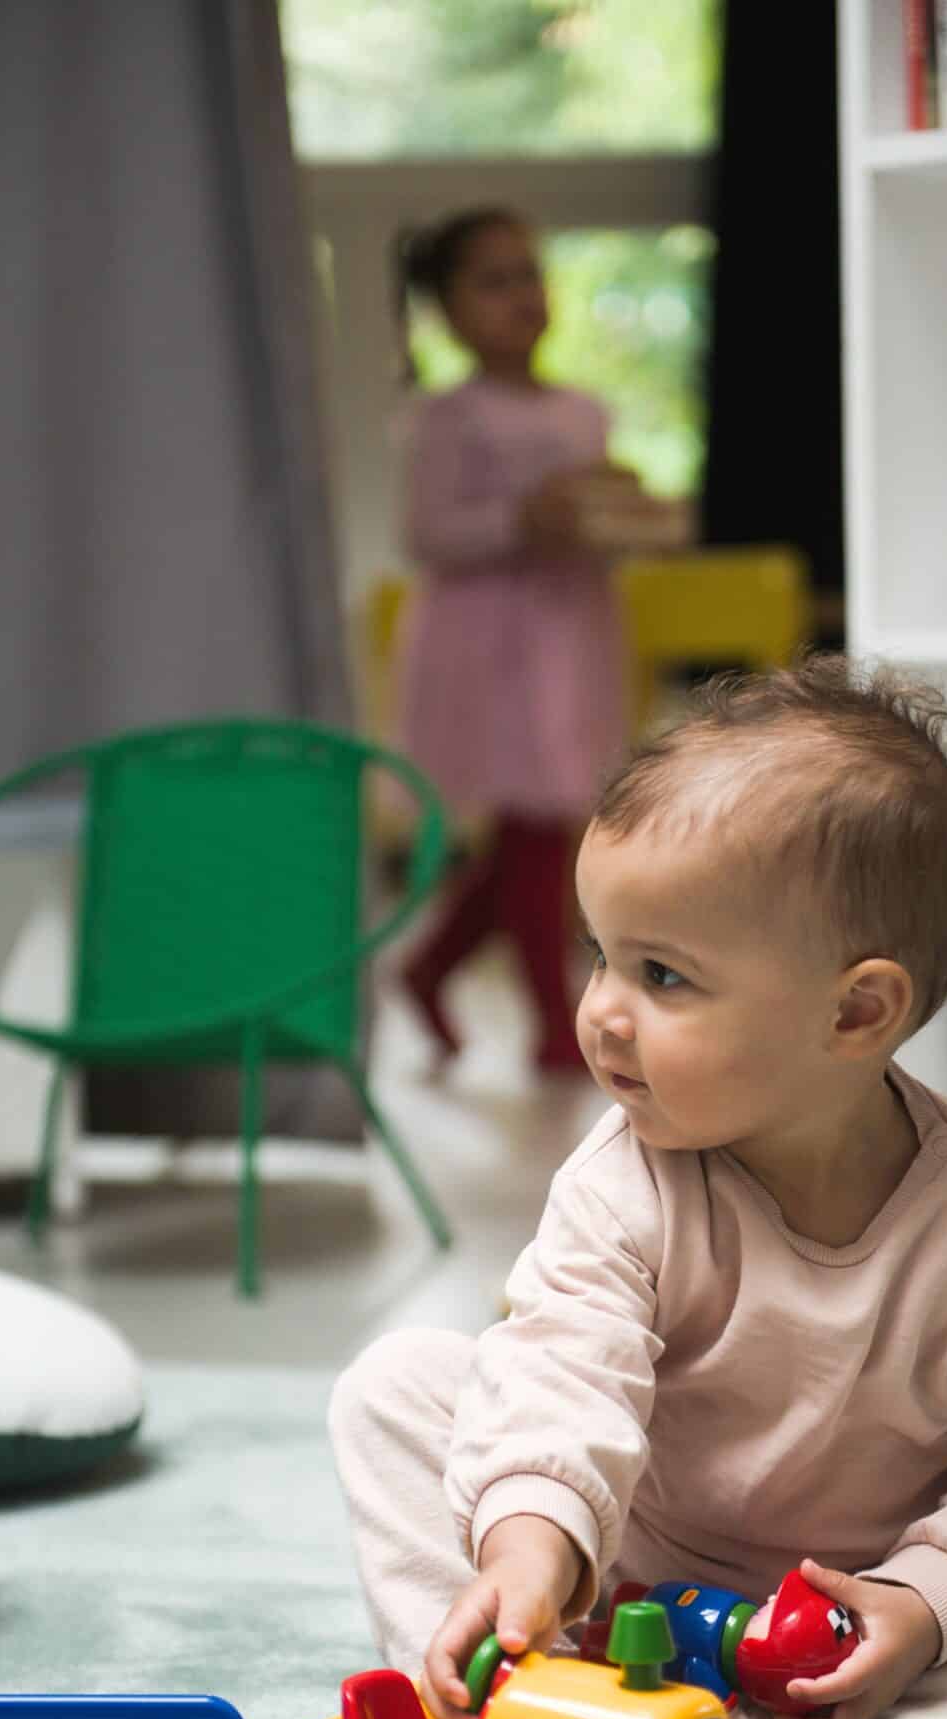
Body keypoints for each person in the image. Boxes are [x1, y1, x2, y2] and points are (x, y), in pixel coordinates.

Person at [331, 657, 947, 1719]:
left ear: (853, 1010)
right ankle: (508, 1692)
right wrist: (530, 1548)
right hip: (619, 1563)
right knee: (399, 1385)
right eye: (599, 954)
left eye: (662, 974)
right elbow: (562, 1368)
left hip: (839, 1612)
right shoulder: (621, 1180)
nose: (600, 1011)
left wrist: (919, 1608)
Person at [391, 208, 633, 1073]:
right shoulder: (445, 418)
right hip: (490, 645)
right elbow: (427, 534)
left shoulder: (583, 411)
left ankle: (428, 967)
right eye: (493, 280)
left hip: (569, 632)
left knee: (542, 827)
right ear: (446, 309)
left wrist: (614, 515)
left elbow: (590, 522)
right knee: (538, 828)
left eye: (528, 273)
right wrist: (519, 520)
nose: (521, 295)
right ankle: (550, 1020)